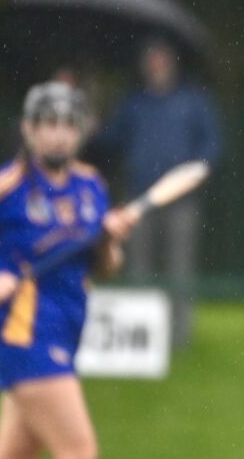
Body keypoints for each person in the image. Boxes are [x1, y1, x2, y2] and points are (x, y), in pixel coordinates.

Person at [0, 82, 161, 459]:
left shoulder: (90, 187)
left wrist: (110, 239)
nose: (57, 131)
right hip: (25, 337)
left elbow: (103, 266)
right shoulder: (1, 190)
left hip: (64, 332)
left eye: (67, 122)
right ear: (29, 129)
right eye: (46, 121)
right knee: (79, 453)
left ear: (80, 131)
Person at [94, 38, 222, 345]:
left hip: (182, 201)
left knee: (179, 268)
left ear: (173, 62)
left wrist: (197, 172)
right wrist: (93, 124)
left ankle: (179, 336)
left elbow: (212, 145)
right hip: (140, 198)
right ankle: (143, 339)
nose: (157, 65)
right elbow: (110, 141)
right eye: (152, 59)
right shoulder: (134, 103)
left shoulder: (193, 101)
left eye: (162, 59)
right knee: (140, 267)